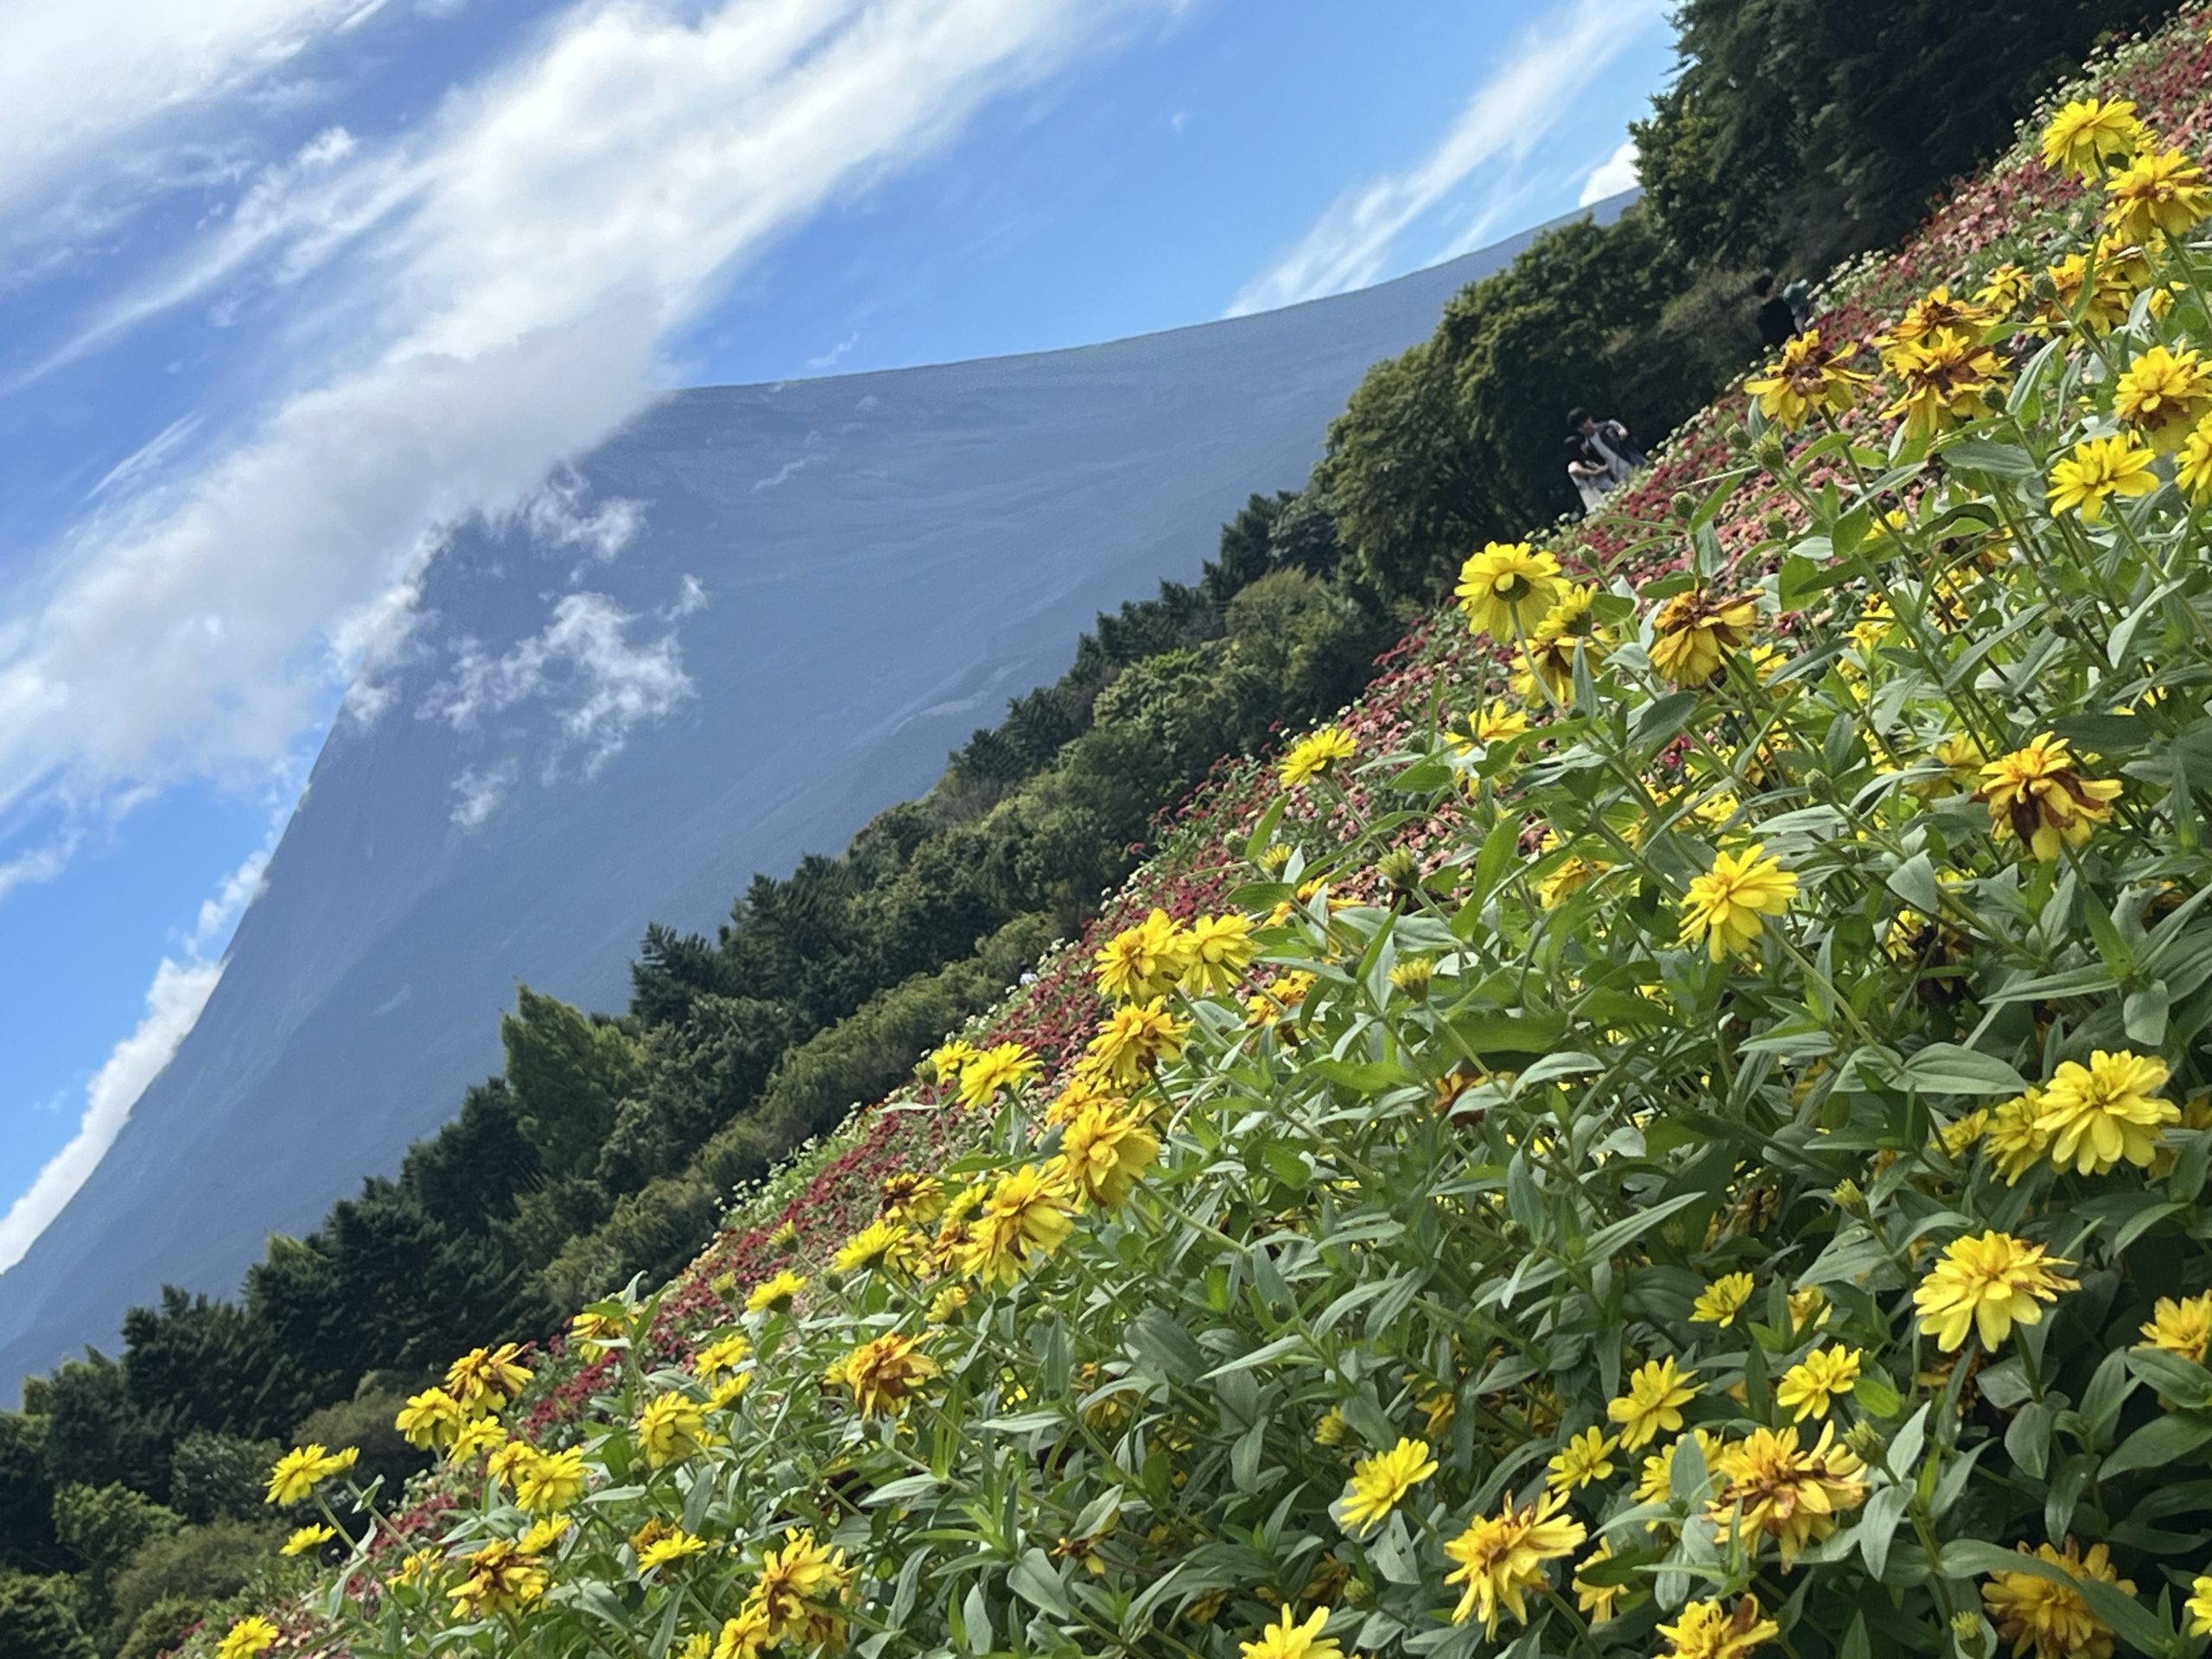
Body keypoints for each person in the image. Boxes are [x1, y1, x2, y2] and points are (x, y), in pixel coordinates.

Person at [1567, 406, 1645, 480]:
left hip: (1635, 463)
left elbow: (1623, 433)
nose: (1585, 426)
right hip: (1620, 477)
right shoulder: (1589, 447)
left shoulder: (1608, 427)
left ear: (1590, 418)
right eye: (1581, 426)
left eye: (1585, 421)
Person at [1567, 435, 1614, 516]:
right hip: (1595, 496)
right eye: (1582, 444)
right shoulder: (1574, 464)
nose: (1585, 446)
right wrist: (1594, 472)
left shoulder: (1587, 461)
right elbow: (1575, 471)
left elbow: (1601, 469)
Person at [1753, 273, 1797, 348]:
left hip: (1785, 349)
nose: (1776, 285)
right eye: (1773, 284)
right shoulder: (1780, 304)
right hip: (1797, 341)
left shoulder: (1760, 316)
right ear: (1768, 289)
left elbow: (1768, 339)